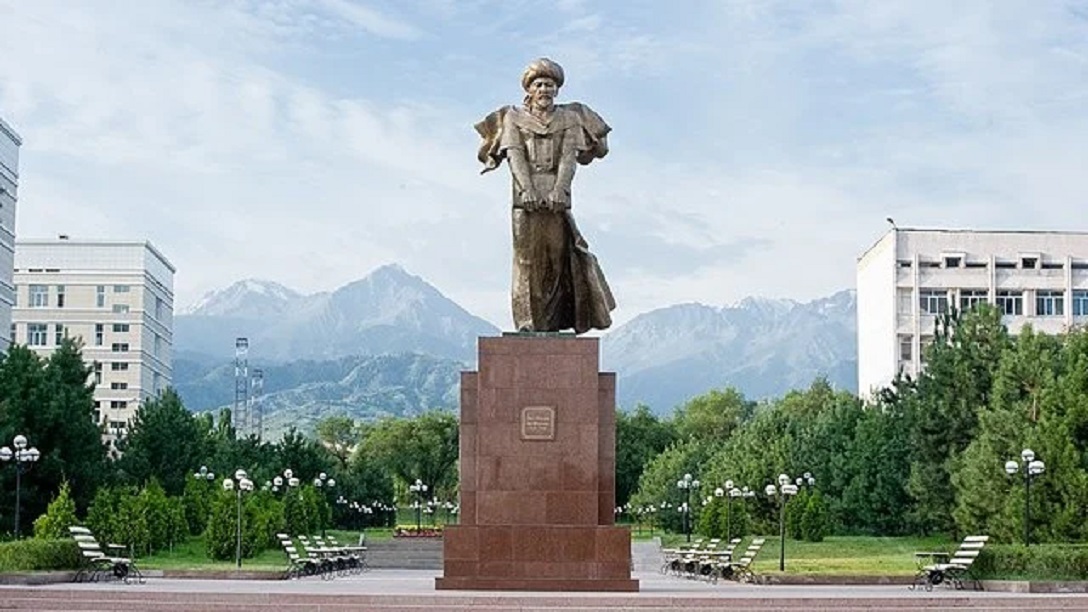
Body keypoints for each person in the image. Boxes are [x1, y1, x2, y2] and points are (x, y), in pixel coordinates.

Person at [475, 58, 616, 334]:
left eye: (550, 85)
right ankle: (527, 322)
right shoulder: (513, 117)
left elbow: (568, 157)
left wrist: (560, 190)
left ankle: (550, 323)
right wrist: (526, 189)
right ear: (529, 89)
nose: (544, 89)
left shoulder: (569, 118)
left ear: (557, 90)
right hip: (524, 199)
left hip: (557, 197)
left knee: (556, 259)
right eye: (539, 84)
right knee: (526, 260)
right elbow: (515, 154)